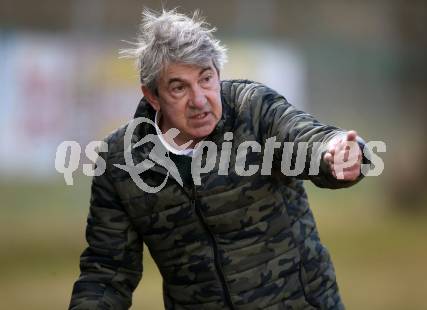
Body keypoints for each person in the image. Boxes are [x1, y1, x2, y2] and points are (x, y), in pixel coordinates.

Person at [69, 8, 368, 310]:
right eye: (179, 87)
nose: (199, 100)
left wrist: (336, 152)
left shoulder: (253, 110)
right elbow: (106, 272)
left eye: (206, 78)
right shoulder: (120, 162)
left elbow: (307, 136)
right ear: (152, 96)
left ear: (218, 73)